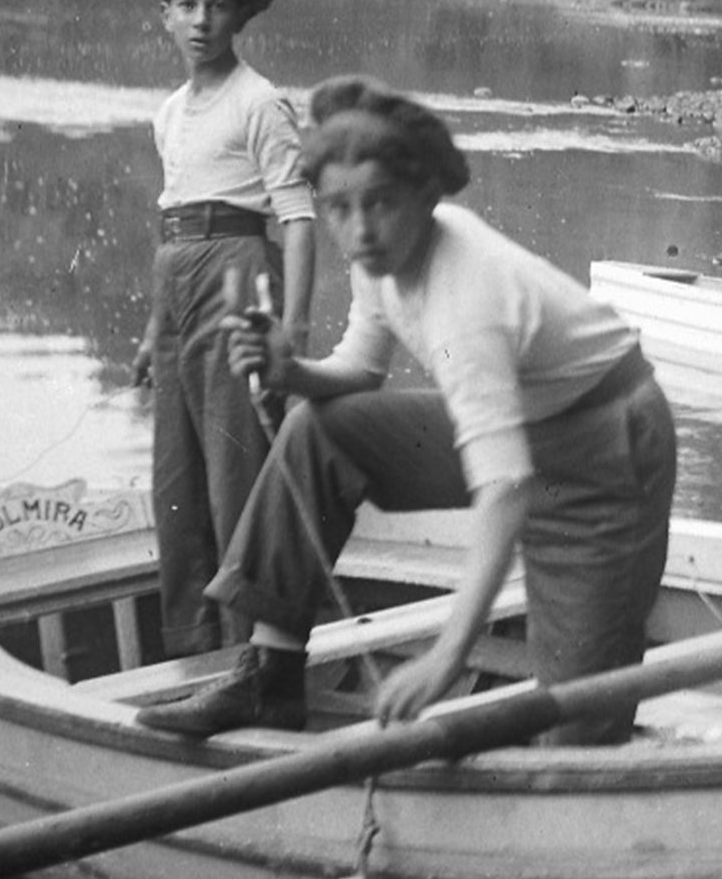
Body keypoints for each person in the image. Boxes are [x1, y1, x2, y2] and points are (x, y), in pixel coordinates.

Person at [139, 77, 676, 742]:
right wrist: (290, 372)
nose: (358, 229)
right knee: (319, 429)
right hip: (522, 424)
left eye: (380, 204)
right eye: (337, 208)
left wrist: (446, 657)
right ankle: (270, 677)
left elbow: (506, 488)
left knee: (579, 729)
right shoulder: (379, 256)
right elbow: (361, 369)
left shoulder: (465, 299)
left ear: (426, 195)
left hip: (608, 449)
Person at [136, 0, 317, 659]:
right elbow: (172, 226)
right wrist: (154, 330)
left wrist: (293, 335)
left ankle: (251, 655)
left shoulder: (261, 102)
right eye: (187, 5)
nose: (201, 21)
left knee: (235, 474)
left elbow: (300, 222)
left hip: (241, 274)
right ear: (167, 14)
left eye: (217, 6)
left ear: (240, 16)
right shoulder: (169, 114)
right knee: (175, 481)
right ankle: (191, 650)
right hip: (177, 277)